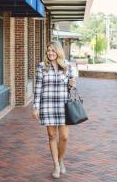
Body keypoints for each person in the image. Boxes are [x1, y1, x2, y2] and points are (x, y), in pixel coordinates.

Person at [32, 41, 76, 179]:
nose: (50, 53)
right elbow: (38, 88)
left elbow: (71, 85)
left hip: (63, 105)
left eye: (53, 50)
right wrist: (35, 107)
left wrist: (72, 84)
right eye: (48, 50)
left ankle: (61, 159)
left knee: (64, 137)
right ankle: (56, 164)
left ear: (58, 51)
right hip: (48, 105)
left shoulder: (67, 66)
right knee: (52, 136)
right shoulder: (42, 66)